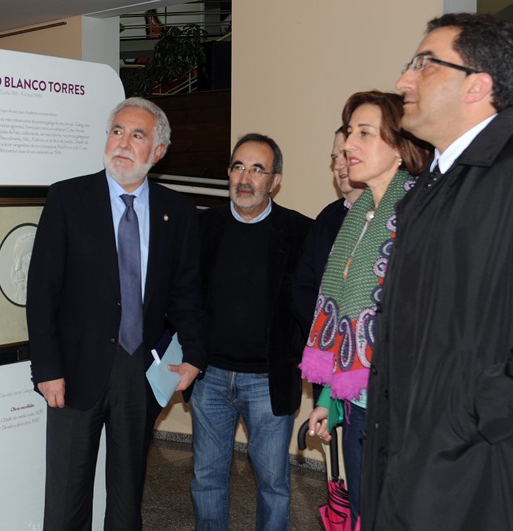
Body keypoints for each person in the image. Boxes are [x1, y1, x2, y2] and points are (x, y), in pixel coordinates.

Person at [362, 13, 513, 530]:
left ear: (478, 85)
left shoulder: (509, 173)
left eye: (424, 64)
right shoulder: (433, 182)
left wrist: (481, 411)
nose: (403, 80)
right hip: (410, 453)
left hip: (478, 464)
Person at [26, 97, 206, 531]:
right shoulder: (68, 198)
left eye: (137, 135)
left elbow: (186, 293)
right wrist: (47, 369)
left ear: (157, 151)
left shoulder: (178, 212)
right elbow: (42, 291)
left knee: (127, 500)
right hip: (74, 369)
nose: (123, 143)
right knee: (66, 501)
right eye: (117, 131)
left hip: (138, 371)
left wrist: (195, 356)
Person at [300, 91, 430, 529]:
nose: (349, 144)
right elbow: (346, 322)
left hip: (403, 411)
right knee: (361, 513)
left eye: (365, 133)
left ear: (399, 146)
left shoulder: (420, 213)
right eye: (349, 131)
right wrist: (328, 400)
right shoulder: (358, 218)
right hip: (358, 407)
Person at [190, 133, 312, 531]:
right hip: (209, 377)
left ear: (275, 181)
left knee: (273, 484)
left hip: (268, 381)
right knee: (206, 479)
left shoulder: (300, 232)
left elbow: (313, 306)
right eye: (238, 167)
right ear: (228, 173)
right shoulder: (202, 226)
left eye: (258, 169)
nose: (245, 178)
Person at [291, 127, 365, 404]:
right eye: (334, 158)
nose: (338, 165)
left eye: (346, 155)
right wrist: (330, 334)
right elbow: (302, 287)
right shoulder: (328, 218)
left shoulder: (395, 214)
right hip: (327, 359)